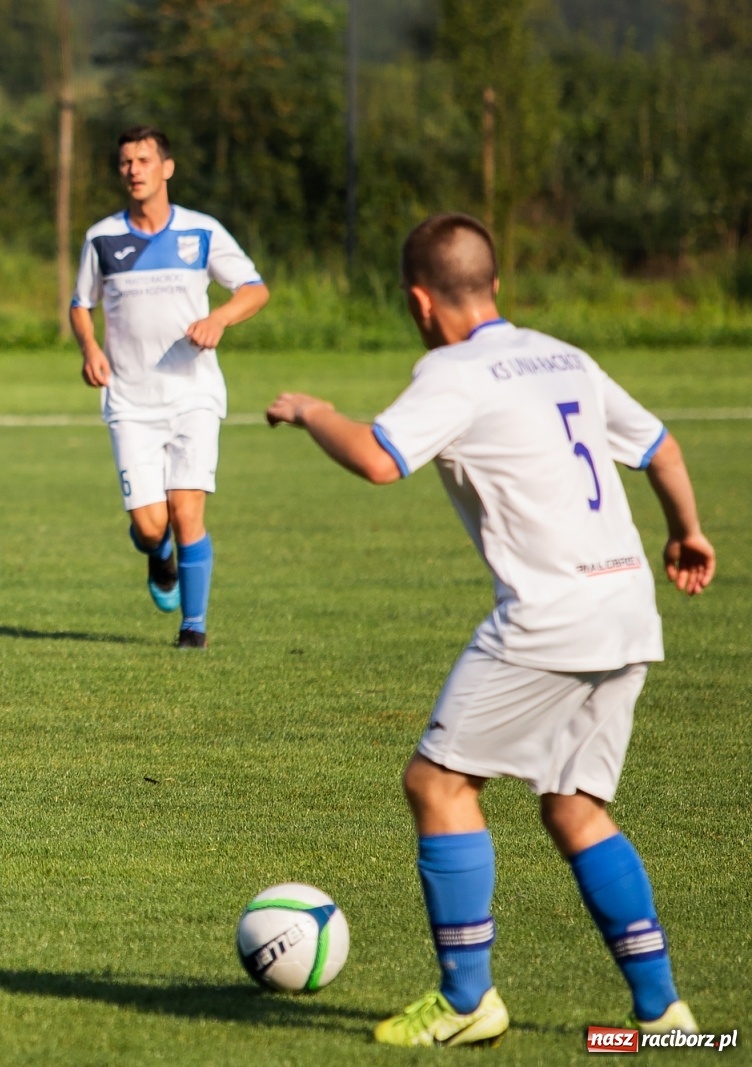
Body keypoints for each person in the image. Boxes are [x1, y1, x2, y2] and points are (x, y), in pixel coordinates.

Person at [266, 213, 714, 1047]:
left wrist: (313, 410)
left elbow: (378, 458)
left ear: (418, 301)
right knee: (574, 807)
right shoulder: (564, 355)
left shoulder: (453, 371)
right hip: (626, 603)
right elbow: (662, 448)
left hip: (552, 613)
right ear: (495, 285)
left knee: (438, 784)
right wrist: (686, 531)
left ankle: (467, 998)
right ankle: (663, 1012)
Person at [70, 126, 270, 649]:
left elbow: (254, 289)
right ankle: (158, 557)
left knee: (186, 512)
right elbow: (80, 305)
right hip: (130, 401)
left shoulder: (201, 231)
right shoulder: (101, 238)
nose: (133, 170)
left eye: (143, 160)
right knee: (150, 526)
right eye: (125, 162)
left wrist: (219, 319)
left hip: (193, 395)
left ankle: (193, 629)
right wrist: (90, 349)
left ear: (167, 168)